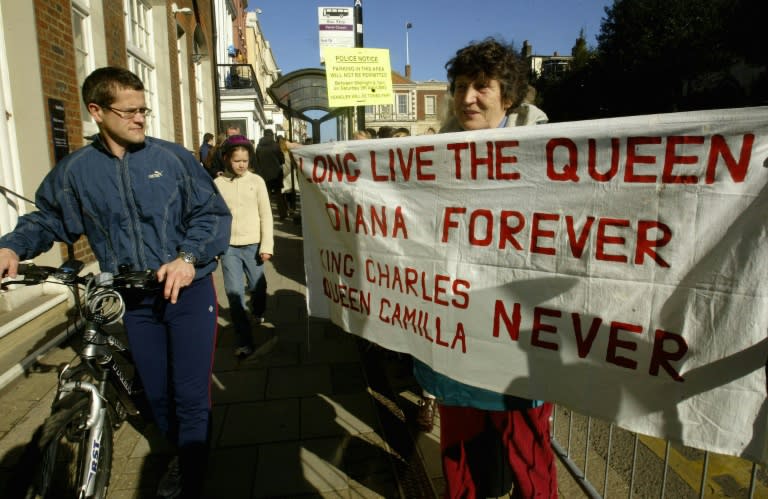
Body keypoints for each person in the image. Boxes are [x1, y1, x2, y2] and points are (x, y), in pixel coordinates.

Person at [0, 67, 231, 498]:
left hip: (188, 291)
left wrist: (187, 258)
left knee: (189, 394)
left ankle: (193, 475)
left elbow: (212, 215)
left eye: (143, 109)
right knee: (158, 395)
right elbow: (48, 219)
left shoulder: (173, 159)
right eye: (129, 111)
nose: (140, 119)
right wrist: (12, 247)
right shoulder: (76, 172)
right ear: (97, 111)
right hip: (135, 299)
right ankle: (178, 449)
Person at [413, 38, 556, 498]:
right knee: (459, 452)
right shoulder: (434, 155)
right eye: (459, 86)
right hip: (456, 326)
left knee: (528, 454)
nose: (467, 97)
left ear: (508, 97)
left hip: (517, 336)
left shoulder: (545, 155)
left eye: (481, 87)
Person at [214, 135, 274, 357]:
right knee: (234, 292)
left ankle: (258, 311)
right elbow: (215, 217)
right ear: (226, 158)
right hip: (229, 248)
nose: (241, 164)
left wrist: (266, 245)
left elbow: (266, 215)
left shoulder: (256, 182)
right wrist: (214, 247)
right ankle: (244, 341)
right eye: (236, 160)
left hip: (254, 245)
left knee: (259, 288)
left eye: (245, 160)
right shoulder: (218, 184)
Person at [254, 129, 288, 219]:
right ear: (271, 135)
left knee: (266, 196)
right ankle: (282, 214)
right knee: (279, 195)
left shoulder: (259, 147)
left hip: (263, 174)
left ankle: (267, 215)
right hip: (276, 174)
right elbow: (282, 160)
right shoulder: (275, 146)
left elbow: (256, 161)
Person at [278, 135, 300, 216]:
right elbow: (294, 163)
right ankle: (292, 208)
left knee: (284, 193)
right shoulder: (289, 152)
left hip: (284, 175)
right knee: (292, 192)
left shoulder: (280, 153)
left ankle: (287, 208)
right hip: (291, 174)